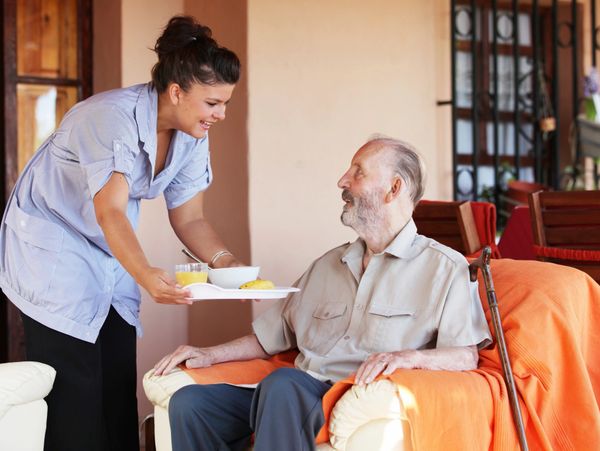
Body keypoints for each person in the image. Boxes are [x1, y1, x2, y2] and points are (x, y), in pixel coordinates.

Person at [154, 136, 492, 451]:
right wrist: (209, 355)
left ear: (394, 188)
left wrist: (411, 358)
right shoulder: (327, 264)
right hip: (292, 395)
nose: (342, 181)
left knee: (284, 385)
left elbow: (464, 355)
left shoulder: (444, 268)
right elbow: (271, 336)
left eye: (357, 172)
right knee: (190, 404)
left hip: (352, 395)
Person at [0, 15, 245, 451]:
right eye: (213, 103)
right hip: (53, 248)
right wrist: (147, 274)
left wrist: (228, 266)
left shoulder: (191, 133)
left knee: (116, 388)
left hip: (109, 251)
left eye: (225, 103)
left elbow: (188, 219)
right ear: (176, 91)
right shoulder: (109, 117)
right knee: (73, 398)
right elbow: (110, 210)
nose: (221, 114)